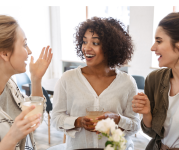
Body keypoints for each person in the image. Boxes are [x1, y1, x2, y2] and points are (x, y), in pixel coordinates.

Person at [51, 17, 140, 150]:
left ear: (111, 47)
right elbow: (56, 119)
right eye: (84, 42)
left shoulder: (127, 83)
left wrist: (117, 119)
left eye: (95, 43)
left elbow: (135, 126)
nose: (87, 48)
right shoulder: (68, 79)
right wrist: (77, 122)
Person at [132, 7, 179, 150]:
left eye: (159, 41)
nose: (153, 47)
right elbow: (152, 133)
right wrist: (146, 113)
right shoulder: (154, 79)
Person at [0, 15, 53, 150]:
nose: (29, 51)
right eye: (24, 44)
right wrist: (12, 137)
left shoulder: (10, 86)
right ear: (5, 53)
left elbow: (34, 118)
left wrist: (36, 79)